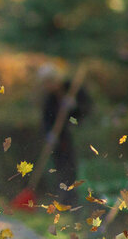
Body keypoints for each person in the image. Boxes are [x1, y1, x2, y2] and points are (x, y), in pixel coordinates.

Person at [37, 64, 91, 206]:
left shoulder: (73, 89)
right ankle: (64, 200)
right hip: (60, 140)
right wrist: (49, 133)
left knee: (74, 169)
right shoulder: (50, 98)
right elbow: (47, 118)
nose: (47, 86)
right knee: (61, 169)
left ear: (55, 79)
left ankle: (75, 201)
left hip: (78, 135)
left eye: (48, 82)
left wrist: (75, 107)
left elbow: (87, 109)